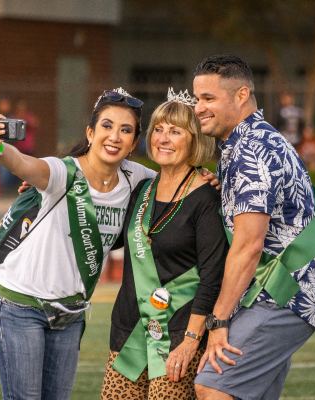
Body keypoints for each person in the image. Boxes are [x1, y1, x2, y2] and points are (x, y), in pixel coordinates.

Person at [0, 88, 156, 400]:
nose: (115, 136)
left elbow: (180, 182)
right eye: (106, 126)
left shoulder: (138, 178)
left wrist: (206, 179)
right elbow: (24, 164)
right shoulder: (63, 172)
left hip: (70, 314)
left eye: (125, 130)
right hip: (20, 305)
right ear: (90, 133)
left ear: (133, 143)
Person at [191, 54, 315, 400]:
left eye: (208, 98)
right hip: (278, 290)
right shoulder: (250, 142)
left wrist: (219, 321)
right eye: (197, 98)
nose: (198, 107)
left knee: (212, 386)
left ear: (241, 96)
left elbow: (249, 245)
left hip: (280, 292)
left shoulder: (250, 150)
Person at [101, 89, 228, 400]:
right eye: (158, 129)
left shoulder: (207, 199)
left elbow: (212, 278)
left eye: (175, 131)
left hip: (177, 337)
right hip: (129, 332)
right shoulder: (142, 188)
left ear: (195, 140)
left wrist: (189, 341)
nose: (163, 138)